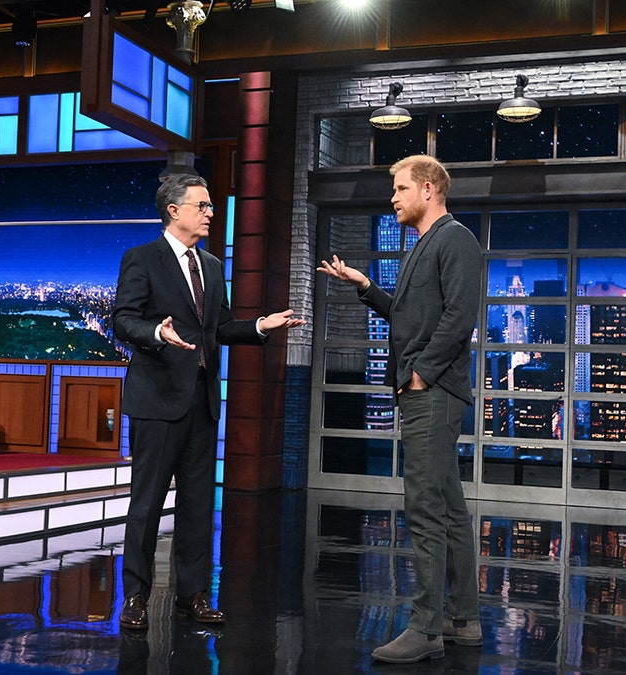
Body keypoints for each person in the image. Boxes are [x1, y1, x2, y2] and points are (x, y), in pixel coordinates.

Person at [112, 173, 304, 631]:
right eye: (202, 205)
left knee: (198, 504)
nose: (211, 213)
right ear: (173, 210)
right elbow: (122, 319)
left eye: (212, 206)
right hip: (157, 402)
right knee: (147, 505)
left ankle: (192, 594)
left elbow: (217, 328)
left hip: (201, 402)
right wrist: (156, 333)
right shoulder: (142, 258)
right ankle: (136, 597)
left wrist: (259, 325)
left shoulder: (213, 266)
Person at [317, 154, 483, 663]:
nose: (393, 197)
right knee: (449, 508)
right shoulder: (423, 246)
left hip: (431, 392)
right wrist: (365, 287)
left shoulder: (455, 239)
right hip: (428, 389)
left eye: (400, 188)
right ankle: (464, 619)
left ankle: (427, 628)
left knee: (424, 509)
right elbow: (410, 315)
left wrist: (420, 372)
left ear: (429, 189)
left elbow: (460, 316)